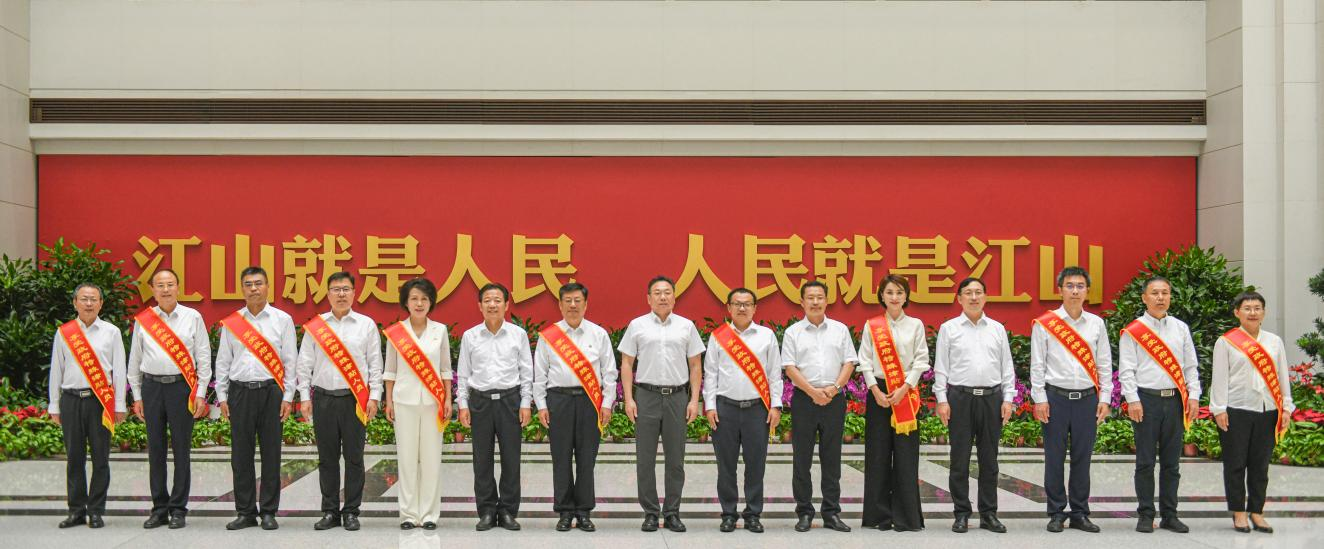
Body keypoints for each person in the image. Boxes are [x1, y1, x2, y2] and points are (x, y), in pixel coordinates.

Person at [296, 271, 384, 531]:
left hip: (354, 400)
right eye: (336, 289)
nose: (341, 294)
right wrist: (304, 397)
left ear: (354, 293)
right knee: (327, 458)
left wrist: (374, 397)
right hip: (324, 399)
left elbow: (375, 364)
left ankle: (351, 512)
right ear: (328, 294)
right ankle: (330, 511)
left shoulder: (366, 325)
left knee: (355, 458)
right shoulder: (317, 327)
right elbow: (304, 365)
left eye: (346, 289)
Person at [618, 275, 705, 533]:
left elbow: (695, 365)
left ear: (674, 297)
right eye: (657, 293)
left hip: (677, 397)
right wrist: (629, 398)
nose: (663, 297)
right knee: (645, 459)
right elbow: (626, 364)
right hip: (647, 396)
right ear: (648, 298)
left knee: (675, 459)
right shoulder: (637, 325)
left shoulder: (686, 326)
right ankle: (650, 513)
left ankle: (672, 512)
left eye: (667, 292)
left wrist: (694, 400)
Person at [215, 266, 298, 531]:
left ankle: (269, 511)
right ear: (242, 289)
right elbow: (223, 361)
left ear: (268, 286)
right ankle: (246, 512)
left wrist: (288, 397)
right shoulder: (233, 323)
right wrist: (222, 396)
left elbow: (290, 361)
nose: (254, 288)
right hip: (239, 393)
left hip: (271, 392)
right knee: (241, 455)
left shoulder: (282, 320)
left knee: (271, 454)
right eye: (248, 284)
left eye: (259, 283)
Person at [1031, 266, 1113, 533]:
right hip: (1055, 398)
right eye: (1069, 286)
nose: (1075, 291)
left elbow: (1104, 363)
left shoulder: (1096, 324)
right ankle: (1056, 512)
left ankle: (1079, 512)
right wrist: (1039, 398)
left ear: (1087, 290)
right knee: (1054, 458)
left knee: (1082, 458)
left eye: (1080, 286)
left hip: (1087, 399)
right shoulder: (1046, 323)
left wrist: (1105, 398)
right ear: (1060, 290)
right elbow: (1037, 365)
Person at [128, 268, 212, 529]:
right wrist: (137, 395)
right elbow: (135, 361)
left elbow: (203, 358)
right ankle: (159, 508)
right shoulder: (144, 320)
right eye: (160, 285)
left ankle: (178, 508)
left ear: (178, 287)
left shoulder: (192, 317)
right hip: (152, 388)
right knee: (155, 450)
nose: (165, 290)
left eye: (170, 284)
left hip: (181, 389)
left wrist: (200, 393)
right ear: (153, 290)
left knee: (182, 450)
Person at [1117, 276, 1200, 533]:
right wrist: (1132, 399)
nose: (1160, 297)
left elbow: (1190, 366)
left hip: (1175, 400)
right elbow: (1126, 370)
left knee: (1171, 462)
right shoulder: (1134, 331)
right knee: (1145, 462)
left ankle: (1170, 515)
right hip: (1146, 401)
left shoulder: (1180, 328)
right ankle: (1145, 514)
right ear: (1144, 297)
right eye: (1155, 293)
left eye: (1165, 292)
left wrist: (1194, 395)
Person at [934, 277, 1015, 534]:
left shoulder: (997, 329)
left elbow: (1007, 367)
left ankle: (989, 514)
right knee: (959, 460)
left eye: (978, 292)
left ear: (985, 297)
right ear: (959, 298)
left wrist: (1008, 399)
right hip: (960, 399)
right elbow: (941, 368)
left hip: (991, 399)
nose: (973, 297)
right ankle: (961, 514)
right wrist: (942, 400)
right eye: (968, 293)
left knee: (989, 460)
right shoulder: (949, 328)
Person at [533, 282, 617, 532]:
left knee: (586, 458)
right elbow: (540, 374)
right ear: (560, 305)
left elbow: (609, 373)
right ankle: (564, 511)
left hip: (589, 401)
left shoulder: (598, 334)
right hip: (558, 400)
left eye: (577, 300)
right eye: (567, 301)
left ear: (585, 304)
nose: (572, 305)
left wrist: (607, 403)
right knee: (560, 458)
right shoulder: (549, 336)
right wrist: (541, 405)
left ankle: (583, 511)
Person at [1211, 291, 1294, 534]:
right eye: (1247, 308)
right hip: (1236, 410)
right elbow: (1219, 378)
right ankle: (1238, 512)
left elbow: (1282, 376)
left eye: (1257, 308)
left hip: (1268, 410)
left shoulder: (1274, 342)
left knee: (1260, 465)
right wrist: (1219, 409)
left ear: (1264, 312)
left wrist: (1286, 407)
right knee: (1235, 464)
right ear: (1237, 312)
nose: (1253, 312)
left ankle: (1257, 512)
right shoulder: (1226, 342)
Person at [702, 287, 782, 534]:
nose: (742, 308)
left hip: (757, 410)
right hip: (725, 409)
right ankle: (728, 514)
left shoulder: (766, 336)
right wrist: (710, 406)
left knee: (756, 464)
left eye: (747, 304)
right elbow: (710, 374)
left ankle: (753, 514)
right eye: (737, 303)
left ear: (755, 308)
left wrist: (775, 405)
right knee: (726, 465)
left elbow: (774, 374)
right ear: (728, 307)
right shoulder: (719, 336)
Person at [49, 283, 127, 530]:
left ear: (101, 303)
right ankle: (76, 511)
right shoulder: (65, 333)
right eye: (84, 299)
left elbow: (119, 370)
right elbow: (56, 370)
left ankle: (96, 511)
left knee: (100, 458)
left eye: (94, 299)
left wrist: (119, 405)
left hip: (99, 401)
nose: (89, 303)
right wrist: (54, 405)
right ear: (75, 303)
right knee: (74, 458)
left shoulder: (112, 332)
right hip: (71, 400)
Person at [457, 282, 533, 531]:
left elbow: (526, 372)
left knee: (511, 459)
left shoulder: (518, 335)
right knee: (482, 460)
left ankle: (508, 511)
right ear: (479, 306)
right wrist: (463, 404)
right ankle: (487, 511)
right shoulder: (470, 336)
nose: (492, 304)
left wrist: (525, 402)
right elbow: (463, 374)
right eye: (487, 300)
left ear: (506, 305)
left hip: (510, 401)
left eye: (497, 300)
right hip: (480, 402)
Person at [782, 280, 857, 533]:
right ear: (802, 302)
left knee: (832, 458)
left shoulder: (840, 330)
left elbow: (849, 362)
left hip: (834, 399)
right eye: (810, 298)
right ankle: (804, 512)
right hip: (804, 399)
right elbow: (790, 368)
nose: (815, 302)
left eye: (820, 297)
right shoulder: (793, 332)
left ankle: (831, 512)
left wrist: (834, 389)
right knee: (802, 459)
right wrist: (813, 392)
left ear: (827, 300)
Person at [857, 275, 929, 532]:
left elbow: (921, 360)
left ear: (906, 296)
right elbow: (864, 360)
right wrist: (875, 390)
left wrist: (905, 387)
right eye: (889, 292)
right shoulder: (872, 325)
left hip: (906, 394)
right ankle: (879, 516)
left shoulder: (916, 325)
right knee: (877, 455)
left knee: (906, 457)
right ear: (882, 296)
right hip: (878, 393)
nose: (895, 297)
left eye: (899, 292)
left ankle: (906, 517)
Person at [383, 277, 452, 530]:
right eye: (414, 298)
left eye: (424, 298)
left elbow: (445, 369)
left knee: (432, 459)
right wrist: (388, 400)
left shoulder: (440, 331)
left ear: (431, 302)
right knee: (407, 459)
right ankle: (409, 514)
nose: (419, 303)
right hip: (404, 400)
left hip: (433, 402)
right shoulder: (396, 332)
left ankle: (430, 514)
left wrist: (448, 398)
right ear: (406, 302)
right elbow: (390, 370)